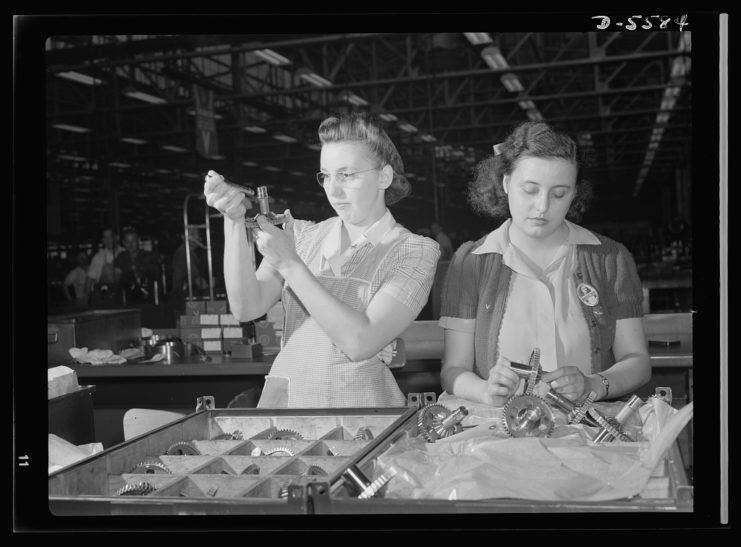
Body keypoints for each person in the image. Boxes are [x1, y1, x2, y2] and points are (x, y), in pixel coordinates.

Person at [204, 112, 441, 408]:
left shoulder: (412, 252)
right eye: (326, 176)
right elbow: (246, 306)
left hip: (361, 417)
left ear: (384, 176)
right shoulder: (304, 237)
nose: (333, 189)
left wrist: (291, 264)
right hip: (288, 410)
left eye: (347, 175)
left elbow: (360, 342)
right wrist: (234, 222)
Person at [439, 121, 650, 407]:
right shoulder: (470, 263)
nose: (542, 206)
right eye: (530, 189)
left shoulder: (611, 260)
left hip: (587, 435)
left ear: (574, 193)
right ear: (505, 183)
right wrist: (485, 390)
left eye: (559, 194)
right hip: (500, 436)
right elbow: (453, 370)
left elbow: (637, 362)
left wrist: (593, 384)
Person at [114, 227, 161, 304]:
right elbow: (117, 277)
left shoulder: (149, 256)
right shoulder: (121, 257)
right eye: (127, 241)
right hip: (127, 296)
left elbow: (156, 275)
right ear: (124, 242)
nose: (130, 244)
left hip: (147, 296)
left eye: (133, 241)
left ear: (138, 241)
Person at [169, 228, 210, 317]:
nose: (198, 238)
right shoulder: (185, 253)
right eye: (193, 234)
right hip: (185, 300)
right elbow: (197, 279)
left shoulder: (187, 252)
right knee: (188, 329)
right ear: (184, 237)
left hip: (184, 299)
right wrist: (211, 295)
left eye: (197, 234)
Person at [87, 228, 125, 304]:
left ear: (117, 238)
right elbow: (90, 279)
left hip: (123, 295)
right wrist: (86, 299)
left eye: (111, 236)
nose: (108, 240)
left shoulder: (125, 253)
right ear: (103, 240)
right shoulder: (98, 256)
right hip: (104, 296)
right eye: (105, 237)